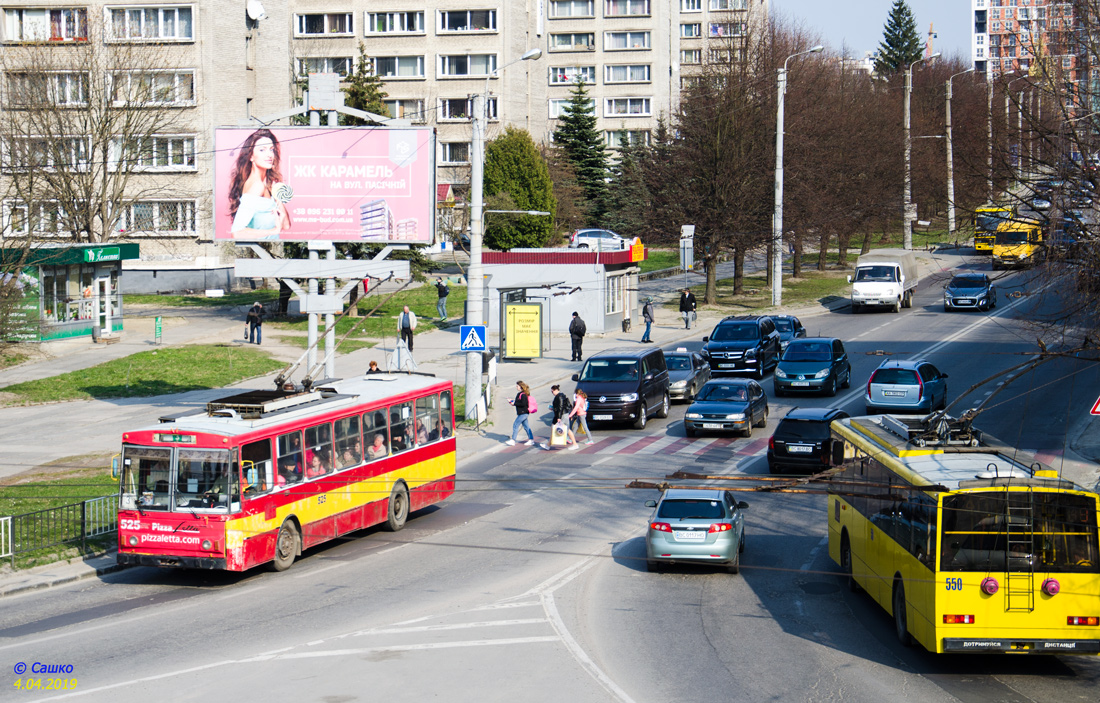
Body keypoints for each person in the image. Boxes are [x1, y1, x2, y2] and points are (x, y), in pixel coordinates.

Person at [228, 128, 292, 240]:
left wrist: (277, 195)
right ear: (251, 156)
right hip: (259, 252)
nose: (269, 155)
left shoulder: (267, 184)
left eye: (271, 150)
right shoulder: (257, 186)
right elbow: (237, 233)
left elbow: (286, 225)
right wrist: (273, 231)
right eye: (262, 150)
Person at [505, 381, 535, 446]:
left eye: (517, 386)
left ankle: (513, 440)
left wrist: (515, 403)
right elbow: (519, 403)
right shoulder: (521, 394)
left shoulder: (523, 394)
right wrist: (512, 402)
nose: (516, 387)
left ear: (521, 387)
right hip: (523, 413)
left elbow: (523, 403)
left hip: (523, 413)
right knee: (526, 427)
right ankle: (531, 440)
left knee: (515, 425)